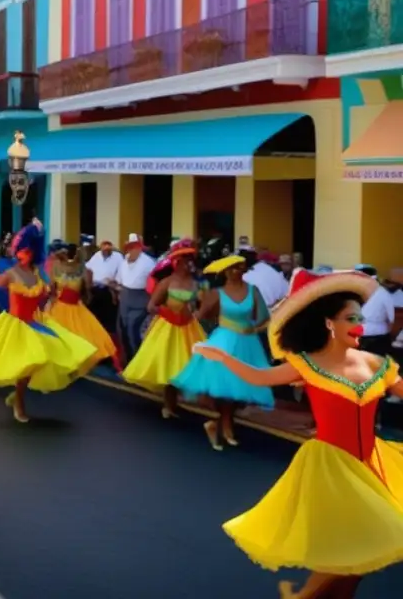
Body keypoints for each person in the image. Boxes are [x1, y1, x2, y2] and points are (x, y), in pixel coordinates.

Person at [195, 269, 403, 599]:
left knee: (360, 561)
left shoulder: (376, 364)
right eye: (351, 318)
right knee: (347, 555)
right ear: (328, 324)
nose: (360, 325)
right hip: (332, 471)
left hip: (372, 466)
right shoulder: (307, 365)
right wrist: (221, 356)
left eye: (359, 317)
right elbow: (259, 377)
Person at [0, 222, 98, 423]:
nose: (26, 255)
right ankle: (19, 402)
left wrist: (52, 294)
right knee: (28, 363)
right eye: (23, 251)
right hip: (15, 325)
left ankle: (17, 395)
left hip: (34, 323)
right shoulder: (10, 274)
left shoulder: (37, 274)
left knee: (49, 358)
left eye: (29, 251)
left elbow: (48, 292)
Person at [172, 255, 273, 450]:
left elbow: (263, 318)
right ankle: (223, 425)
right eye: (233, 268)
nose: (237, 271)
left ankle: (221, 424)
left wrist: (252, 328)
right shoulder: (217, 293)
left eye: (240, 267)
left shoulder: (253, 291)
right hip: (224, 342)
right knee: (226, 389)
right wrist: (193, 305)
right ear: (225, 271)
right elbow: (202, 315)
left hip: (247, 344)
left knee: (242, 391)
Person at [122, 240, 205, 419]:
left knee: (184, 366)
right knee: (169, 365)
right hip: (168, 328)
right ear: (178, 262)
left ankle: (174, 403)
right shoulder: (167, 282)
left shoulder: (196, 283)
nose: (190, 263)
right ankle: (168, 405)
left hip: (188, 328)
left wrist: (196, 311)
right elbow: (151, 306)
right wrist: (167, 312)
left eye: (191, 259)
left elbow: (201, 305)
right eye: (186, 259)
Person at [45, 241, 119, 369]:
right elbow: (51, 287)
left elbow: (87, 291)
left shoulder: (83, 269)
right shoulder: (56, 266)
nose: (71, 256)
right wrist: (50, 298)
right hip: (58, 308)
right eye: (69, 253)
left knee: (83, 336)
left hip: (75, 308)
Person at [113, 234, 156, 364]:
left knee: (133, 330)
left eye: (134, 247)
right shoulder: (123, 262)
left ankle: (138, 362)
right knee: (123, 330)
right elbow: (119, 281)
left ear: (139, 248)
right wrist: (117, 292)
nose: (131, 250)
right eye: (129, 248)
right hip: (125, 299)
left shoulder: (148, 262)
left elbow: (154, 283)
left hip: (141, 299)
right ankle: (128, 361)